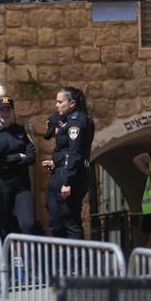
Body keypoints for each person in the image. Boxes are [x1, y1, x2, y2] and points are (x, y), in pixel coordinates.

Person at [41, 87, 95, 239]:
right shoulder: (71, 121)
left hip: (67, 176)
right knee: (57, 221)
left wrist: (67, 181)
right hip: (62, 171)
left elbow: (75, 152)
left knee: (69, 221)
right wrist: (56, 163)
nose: (57, 105)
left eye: (60, 102)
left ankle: (75, 255)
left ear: (71, 103)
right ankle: (62, 254)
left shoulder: (75, 122)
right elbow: (68, 152)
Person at [0, 96, 39, 236]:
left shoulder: (20, 131)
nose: (5, 113)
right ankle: (4, 250)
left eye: (8, 110)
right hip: (2, 186)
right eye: (2, 110)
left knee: (27, 223)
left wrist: (8, 160)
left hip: (21, 186)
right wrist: (19, 157)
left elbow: (32, 157)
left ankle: (26, 249)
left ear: (12, 112)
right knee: (3, 226)